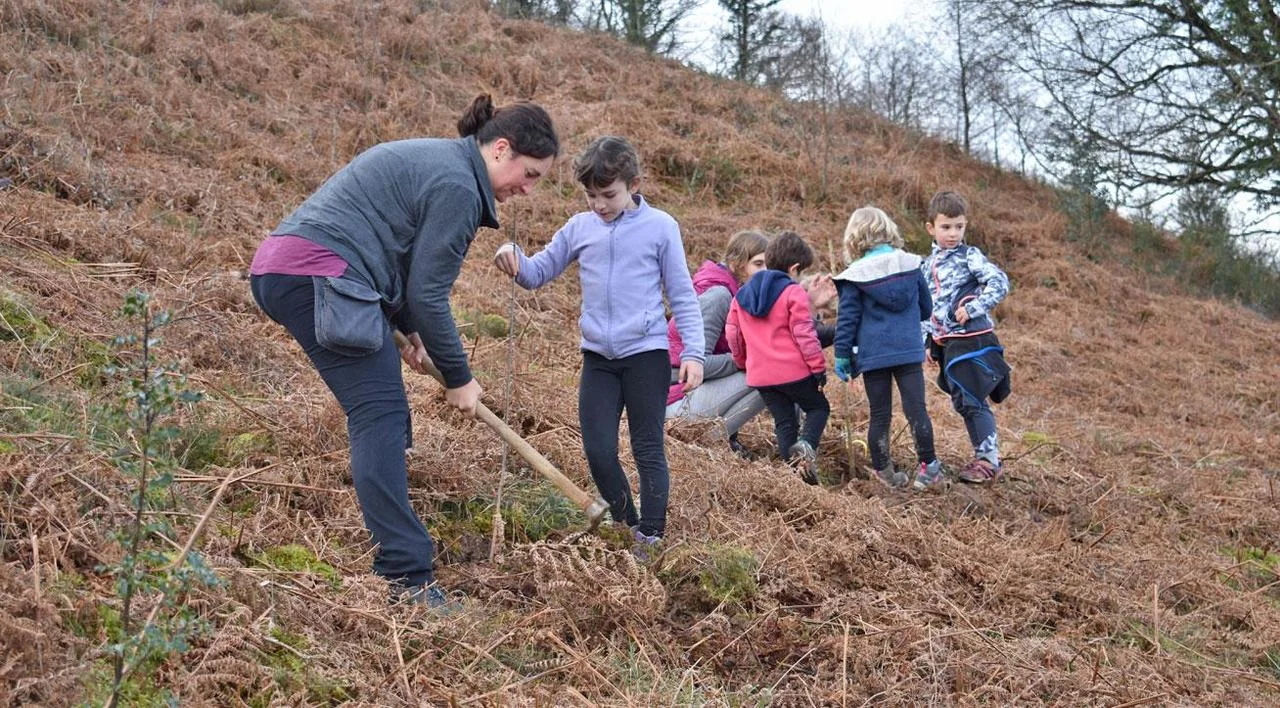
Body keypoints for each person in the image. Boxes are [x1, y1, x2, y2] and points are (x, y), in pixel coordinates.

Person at [248, 94, 559, 607]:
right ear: (501, 149)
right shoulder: (460, 186)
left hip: (296, 266)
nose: (527, 189)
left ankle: (397, 517)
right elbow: (429, 293)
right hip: (320, 274)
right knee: (380, 413)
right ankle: (407, 576)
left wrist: (409, 328)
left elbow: (400, 259)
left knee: (386, 411)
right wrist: (459, 377)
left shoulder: (443, 162)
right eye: (529, 174)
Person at [493, 136, 704, 552]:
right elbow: (536, 272)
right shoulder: (580, 227)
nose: (599, 204)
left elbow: (682, 295)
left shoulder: (661, 227)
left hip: (646, 355)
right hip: (599, 359)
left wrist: (693, 353)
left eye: (609, 195)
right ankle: (627, 525)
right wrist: (512, 254)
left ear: (634, 185)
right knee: (598, 450)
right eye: (591, 195)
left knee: (647, 447)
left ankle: (651, 535)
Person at [665, 232, 838, 458]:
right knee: (769, 371)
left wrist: (811, 305)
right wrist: (746, 360)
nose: (765, 271)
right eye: (758, 264)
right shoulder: (719, 297)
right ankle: (709, 443)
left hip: (697, 397)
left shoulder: (749, 297)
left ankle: (788, 455)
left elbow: (791, 337)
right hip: (675, 403)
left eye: (767, 264)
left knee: (772, 369)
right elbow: (696, 365)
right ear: (737, 264)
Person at [832, 207, 944, 489]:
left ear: (855, 237)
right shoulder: (910, 264)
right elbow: (926, 308)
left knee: (880, 414)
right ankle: (929, 469)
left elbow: (847, 320)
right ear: (888, 230)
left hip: (874, 354)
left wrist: (842, 355)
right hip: (908, 350)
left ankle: (884, 472)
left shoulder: (855, 275)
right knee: (916, 409)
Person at [921, 191, 1012, 483]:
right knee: (962, 401)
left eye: (959, 226)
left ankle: (989, 461)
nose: (953, 234)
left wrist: (974, 307)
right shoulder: (926, 265)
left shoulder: (969, 256)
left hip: (972, 339)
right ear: (931, 228)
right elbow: (926, 306)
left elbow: (999, 282)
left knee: (972, 399)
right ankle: (984, 457)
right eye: (946, 227)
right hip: (946, 344)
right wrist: (927, 341)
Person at [725, 231, 829, 485]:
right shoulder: (793, 292)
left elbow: (733, 334)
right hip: (793, 371)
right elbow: (804, 334)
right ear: (793, 268)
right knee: (818, 408)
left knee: (785, 422)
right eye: (801, 272)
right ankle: (806, 446)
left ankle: (794, 478)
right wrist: (818, 368)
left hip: (761, 376)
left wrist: (743, 361)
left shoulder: (742, 295)